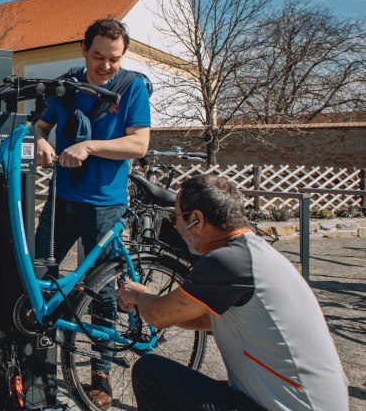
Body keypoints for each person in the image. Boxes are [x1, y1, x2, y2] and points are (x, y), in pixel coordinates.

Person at [117, 174, 349, 411]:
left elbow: (159, 316)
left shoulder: (227, 262)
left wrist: (139, 295)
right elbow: (205, 319)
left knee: (151, 372)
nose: (174, 225)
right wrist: (151, 306)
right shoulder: (255, 253)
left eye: (176, 217)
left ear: (196, 219)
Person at [34, 17, 151, 408]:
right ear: (84, 50)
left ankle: (100, 371)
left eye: (114, 59)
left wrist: (90, 146)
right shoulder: (67, 82)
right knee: (36, 278)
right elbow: (41, 124)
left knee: (101, 293)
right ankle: (33, 359)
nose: (105, 65)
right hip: (61, 199)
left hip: (105, 203)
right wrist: (41, 143)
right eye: (98, 56)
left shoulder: (131, 87)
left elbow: (138, 144)